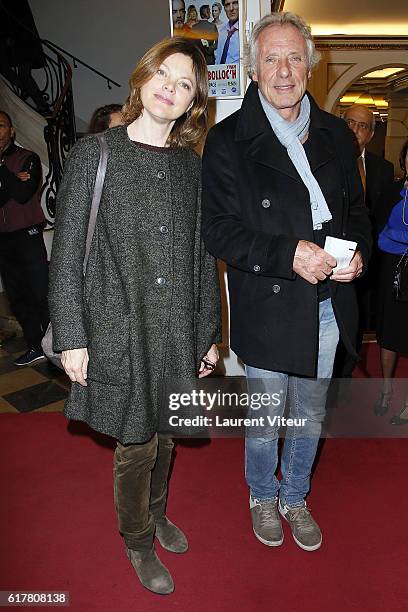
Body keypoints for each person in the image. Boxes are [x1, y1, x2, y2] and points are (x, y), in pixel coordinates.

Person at [48, 37, 220, 595]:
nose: (171, 87)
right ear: (143, 78)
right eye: (163, 74)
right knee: (135, 442)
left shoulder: (191, 169)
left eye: (185, 83)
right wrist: (72, 335)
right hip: (118, 327)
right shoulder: (95, 155)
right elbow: (68, 253)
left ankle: (157, 511)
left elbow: (201, 260)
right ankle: (137, 538)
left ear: (194, 101)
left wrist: (206, 335)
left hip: (175, 327)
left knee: (167, 432)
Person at [202, 12, 371, 552]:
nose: (283, 70)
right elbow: (219, 231)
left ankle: (295, 496)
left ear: (310, 67)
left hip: (327, 302)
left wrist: (358, 254)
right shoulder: (228, 140)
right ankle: (261, 494)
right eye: (271, 58)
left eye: (294, 57)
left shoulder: (337, 136)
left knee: (309, 413)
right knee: (266, 416)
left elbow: (359, 212)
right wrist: (286, 253)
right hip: (271, 302)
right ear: (253, 69)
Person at [334, 105, 395, 380]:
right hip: (334, 258)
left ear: (371, 134)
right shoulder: (328, 161)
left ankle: (347, 373)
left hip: (370, 259)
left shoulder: (383, 169)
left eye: (363, 126)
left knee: (360, 321)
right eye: (350, 123)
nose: (355, 130)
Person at [0, 111, 49, 365]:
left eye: (0, 126)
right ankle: (35, 345)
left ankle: (57, 346)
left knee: (41, 292)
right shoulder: (14, 167)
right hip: (3, 240)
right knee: (18, 297)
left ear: (12, 131)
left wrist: (1, 171)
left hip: (27, 234)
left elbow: (22, 193)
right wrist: (10, 178)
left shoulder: (27, 158)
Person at [374, 139, 408, 424]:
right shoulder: (393, 191)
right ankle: (385, 390)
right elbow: (377, 230)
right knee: (388, 333)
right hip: (391, 271)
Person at [215, 0, 239, 65]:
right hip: (221, 73)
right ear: (224, 8)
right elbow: (218, 58)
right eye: (227, 5)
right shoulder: (222, 31)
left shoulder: (245, 32)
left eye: (235, 3)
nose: (231, 8)